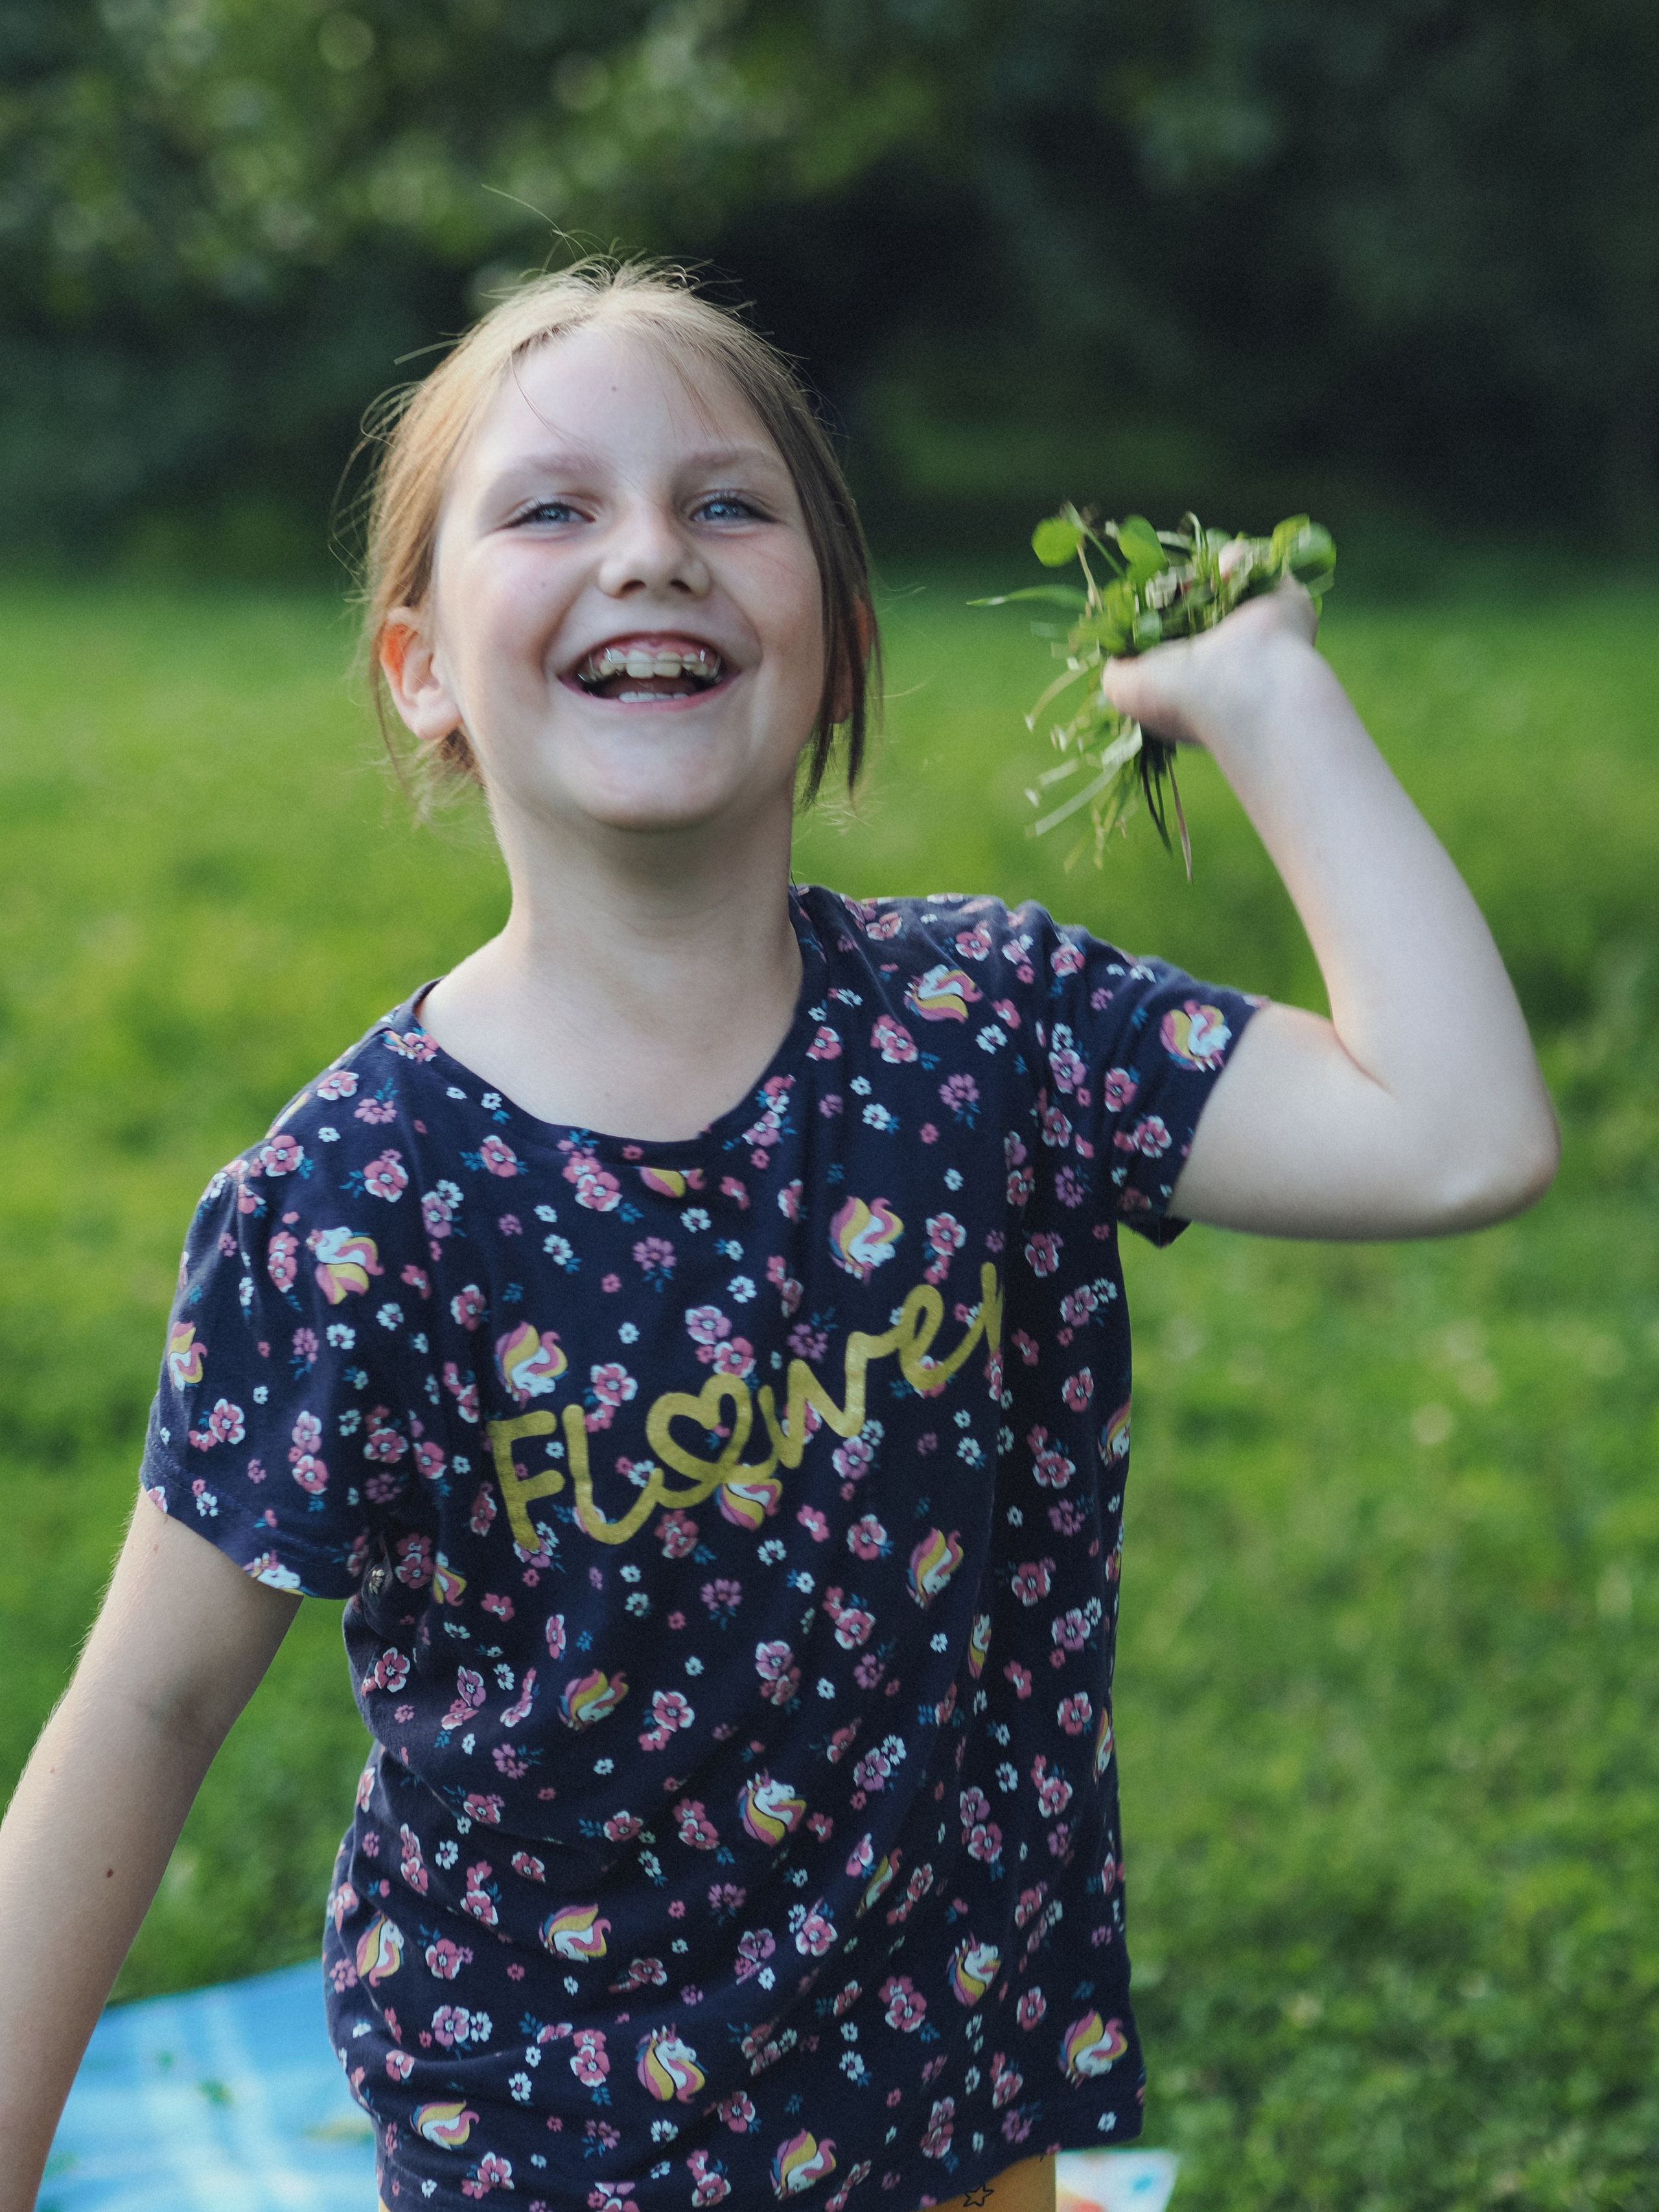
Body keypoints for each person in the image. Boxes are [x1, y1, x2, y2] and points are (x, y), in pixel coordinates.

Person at [0, 260, 1559, 2212]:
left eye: (729, 506)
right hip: (552, 2152)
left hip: (958, 2114)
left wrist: (1264, 699)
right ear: (421, 668)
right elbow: (146, 1705)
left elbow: (1459, 1135)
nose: (652, 552)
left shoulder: (990, 1032)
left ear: (834, 643)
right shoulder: (348, 1206)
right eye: (554, 508)